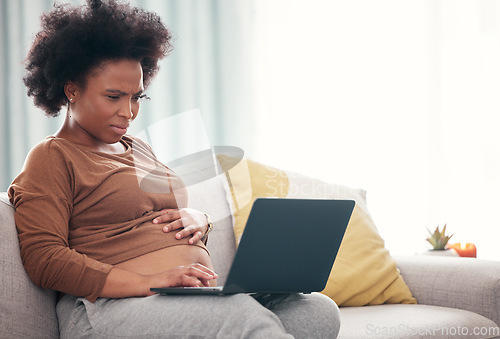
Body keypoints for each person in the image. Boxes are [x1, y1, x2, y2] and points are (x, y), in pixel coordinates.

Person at [8, 0, 341, 337]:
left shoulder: (138, 147)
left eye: (137, 97)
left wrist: (200, 220)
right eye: (113, 97)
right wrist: (147, 282)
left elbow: (161, 217)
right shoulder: (52, 156)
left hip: (181, 296)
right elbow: (44, 258)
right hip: (106, 308)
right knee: (240, 316)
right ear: (72, 90)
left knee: (314, 311)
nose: (129, 112)